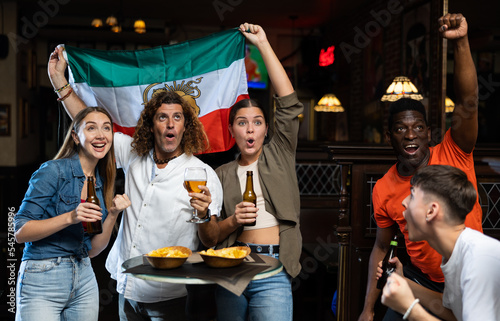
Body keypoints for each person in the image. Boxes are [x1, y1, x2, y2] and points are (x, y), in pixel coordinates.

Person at [48, 48, 223, 320]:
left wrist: (202, 215)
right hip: (126, 287)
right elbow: (90, 124)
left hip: (169, 294)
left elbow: (211, 239)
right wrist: (59, 81)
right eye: (162, 117)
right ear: (151, 125)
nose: (170, 124)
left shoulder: (203, 174)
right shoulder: (133, 155)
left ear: (186, 126)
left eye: (177, 117)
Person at [358, 13, 483, 321]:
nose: (410, 134)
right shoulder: (385, 188)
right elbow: (381, 247)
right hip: (421, 280)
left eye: (417, 128)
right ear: (389, 137)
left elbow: (468, 101)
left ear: (429, 133)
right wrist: (367, 309)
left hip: (469, 275)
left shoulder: (454, 152)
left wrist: (461, 43)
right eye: (401, 129)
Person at [214, 23, 303, 321]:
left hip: (273, 268)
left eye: (257, 122)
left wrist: (263, 43)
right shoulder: (222, 173)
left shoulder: (280, 154)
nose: (250, 129)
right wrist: (231, 220)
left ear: (266, 129)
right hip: (230, 269)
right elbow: (208, 233)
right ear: (231, 131)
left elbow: (289, 105)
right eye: (242, 123)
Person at [14, 107, 131, 320]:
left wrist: (113, 214)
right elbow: (21, 231)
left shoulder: (101, 181)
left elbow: (94, 250)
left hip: (84, 275)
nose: (101, 135)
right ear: (76, 137)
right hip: (43, 275)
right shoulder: (53, 171)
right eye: (91, 128)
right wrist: (71, 217)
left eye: (106, 128)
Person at [380, 165, 500, 321]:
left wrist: (410, 309)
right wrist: (404, 282)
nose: (404, 202)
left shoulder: (479, 259)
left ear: (431, 211)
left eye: (412, 195)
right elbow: (453, 314)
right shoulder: (455, 254)